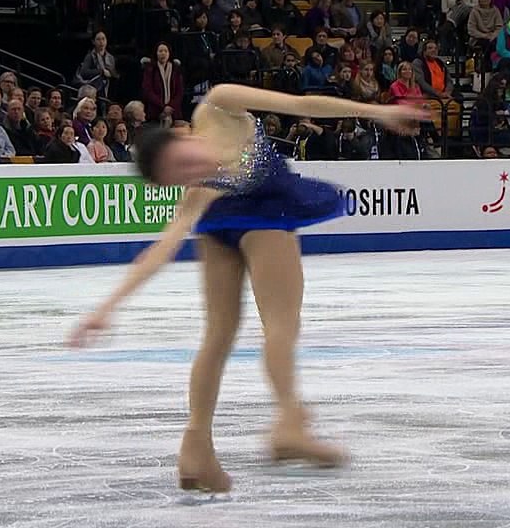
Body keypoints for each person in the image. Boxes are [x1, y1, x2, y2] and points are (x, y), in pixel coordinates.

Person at [69, 83, 426, 494]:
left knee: (223, 332)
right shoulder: (197, 193)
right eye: (178, 177)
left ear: (183, 135)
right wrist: (106, 308)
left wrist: (376, 111)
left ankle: (196, 449)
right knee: (275, 325)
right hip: (262, 217)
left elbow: (300, 103)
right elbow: (160, 250)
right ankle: (286, 424)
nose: (190, 176)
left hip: (243, 214)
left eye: (181, 163)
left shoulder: (218, 103)